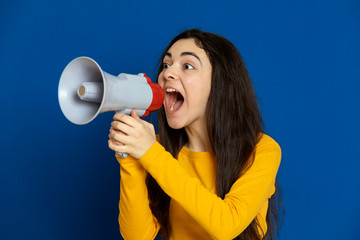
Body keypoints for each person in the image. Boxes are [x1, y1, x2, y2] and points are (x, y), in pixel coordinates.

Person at [108, 29, 282, 240]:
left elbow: (226, 225)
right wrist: (131, 159)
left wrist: (150, 153)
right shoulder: (157, 149)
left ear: (220, 83)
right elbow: (137, 236)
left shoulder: (261, 150)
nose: (167, 73)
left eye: (188, 66)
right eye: (166, 65)